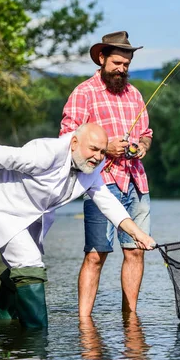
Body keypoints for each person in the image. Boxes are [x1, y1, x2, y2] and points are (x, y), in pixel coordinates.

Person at [0, 123, 156, 330]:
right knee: (29, 264)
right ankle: (36, 337)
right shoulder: (44, 153)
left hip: (30, 215)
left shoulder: (92, 169)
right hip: (0, 209)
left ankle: (3, 324)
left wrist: (139, 234)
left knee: (21, 267)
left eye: (103, 152)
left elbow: (109, 204)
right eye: (93, 149)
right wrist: (3, 165)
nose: (99, 156)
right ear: (74, 143)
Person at [60, 31, 153, 316]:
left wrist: (140, 147)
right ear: (101, 59)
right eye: (116, 63)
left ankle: (130, 316)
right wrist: (106, 147)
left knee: (136, 251)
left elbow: (147, 134)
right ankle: (84, 320)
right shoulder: (83, 93)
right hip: (100, 184)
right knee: (96, 254)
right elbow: (67, 138)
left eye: (126, 64)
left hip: (137, 183)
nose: (121, 69)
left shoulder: (134, 94)